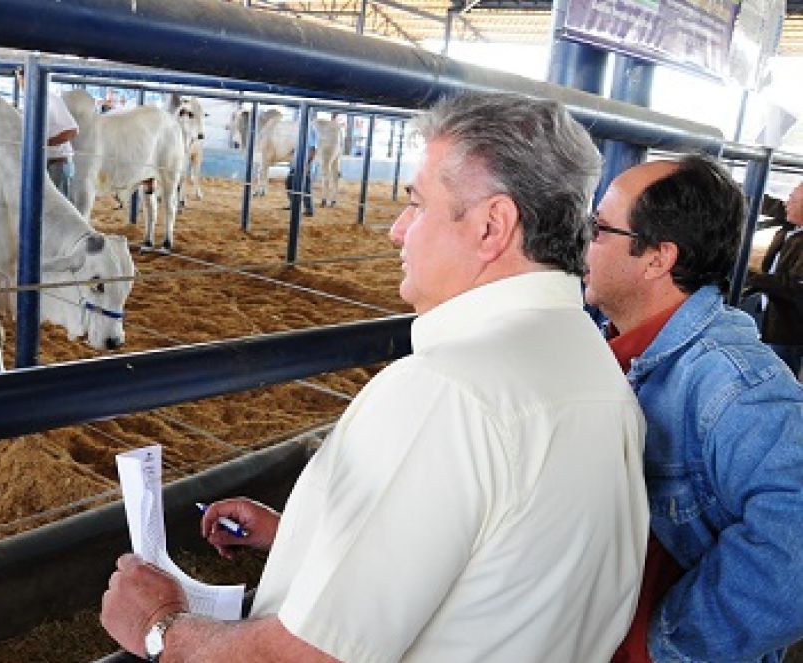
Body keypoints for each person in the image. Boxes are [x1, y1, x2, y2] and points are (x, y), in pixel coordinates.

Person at [101, 92, 648, 663]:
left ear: (492, 226)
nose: (395, 230)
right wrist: (305, 535)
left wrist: (159, 627)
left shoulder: (447, 390)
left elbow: (306, 658)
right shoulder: (597, 372)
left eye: (417, 204)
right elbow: (508, 568)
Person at [583, 156, 803, 662]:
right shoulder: (610, 348)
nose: (583, 242)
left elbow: (794, 542)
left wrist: (665, 647)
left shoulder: (733, 382)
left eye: (599, 229)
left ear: (657, 258)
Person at [745, 182, 803, 375]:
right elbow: (772, 206)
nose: (786, 203)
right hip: (771, 317)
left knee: (782, 376)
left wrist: (750, 277)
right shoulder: (793, 226)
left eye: (792, 199)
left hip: (788, 329)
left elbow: (793, 288)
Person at [17, 70, 78, 196]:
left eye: (22, 77)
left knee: (57, 205)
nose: (21, 82)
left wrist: (42, 144)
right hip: (45, 162)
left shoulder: (51, 99)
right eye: (20, 77)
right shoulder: (29, 101)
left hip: (57, 163)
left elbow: (72, 131)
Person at [282, 121, 316, 216]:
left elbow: (313, 149)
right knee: (289, 182)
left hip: (304, 164)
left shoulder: (311, 131)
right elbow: (297, 147)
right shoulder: (299, 132)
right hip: (296, 163)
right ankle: (293, 204)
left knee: (306, 187)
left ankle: (309, 210)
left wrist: (308, 163)